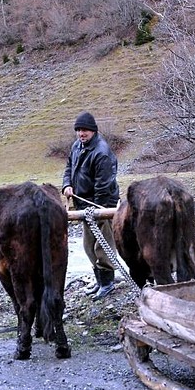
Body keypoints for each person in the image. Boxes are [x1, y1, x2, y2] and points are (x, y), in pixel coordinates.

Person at [62, 111, 120, 300]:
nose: (81, 133)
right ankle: (99, 281)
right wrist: (67, 185)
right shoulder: (77, 146)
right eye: (78, 130)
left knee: (103, 245)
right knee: (89, 246)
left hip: (101, 205)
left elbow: (104, 185)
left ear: (93, 131)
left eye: (85, 130)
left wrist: (96, 210)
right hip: (84, 205)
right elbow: (69, 166)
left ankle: (108, 283)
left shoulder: (102, 152)